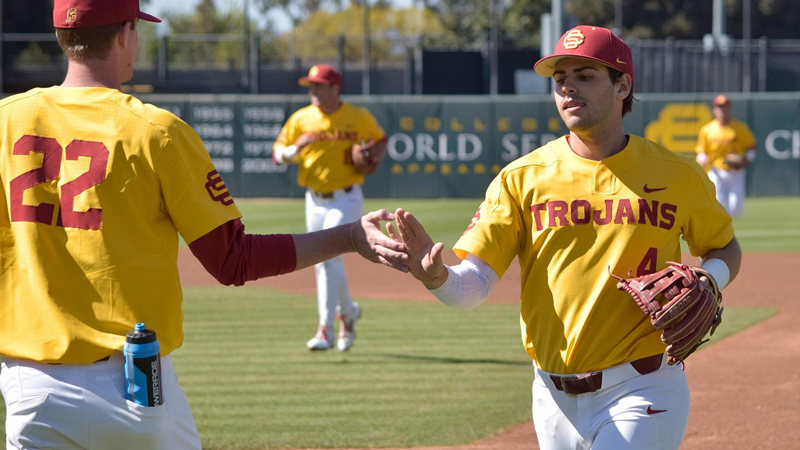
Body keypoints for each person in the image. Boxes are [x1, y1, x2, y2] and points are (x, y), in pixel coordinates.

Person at [0, 1, 406, 449]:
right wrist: (348, 236)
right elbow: (234, 261)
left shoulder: (6, 121)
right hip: (133, 388)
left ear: (61, 36)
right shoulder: (156, 131)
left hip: (29, 390)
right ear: (124, 34)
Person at [390, 25, 742, 449]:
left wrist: (711, 278)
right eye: (560, 80)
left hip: (644, 385)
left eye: (585, 76)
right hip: (551, 396)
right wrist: (437, 279)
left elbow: (723, 246)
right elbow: (473, 287)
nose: (569, 89)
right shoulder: (521, 178)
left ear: (622, 85)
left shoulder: (677, 174)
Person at [272, 64, 388, 351]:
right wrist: (294, 150)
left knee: (326, 258)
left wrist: (372, 156)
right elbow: (277, 155)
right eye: (311, 85)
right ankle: (347, 311)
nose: (313, 91)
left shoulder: (356, 116)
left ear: (335, 88)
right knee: (325, 258)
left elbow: (380, 139)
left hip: (346, 197)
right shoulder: (301, 118)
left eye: (319, 85)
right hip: (314, 199)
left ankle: (325, 329)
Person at [695, 94, 757, 217]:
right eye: (719, 107)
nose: (722, 110)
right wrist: (702, 158)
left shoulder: (740, 128)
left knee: (735, 208)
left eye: (725, 107)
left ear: (730, 109)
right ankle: (723, 232)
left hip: (735, 171)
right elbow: (701, 150)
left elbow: (751, 147)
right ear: (715, 110)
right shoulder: (707, 130)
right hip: (716, 170)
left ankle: (727, 227)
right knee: (718, 204)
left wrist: (747, 159)